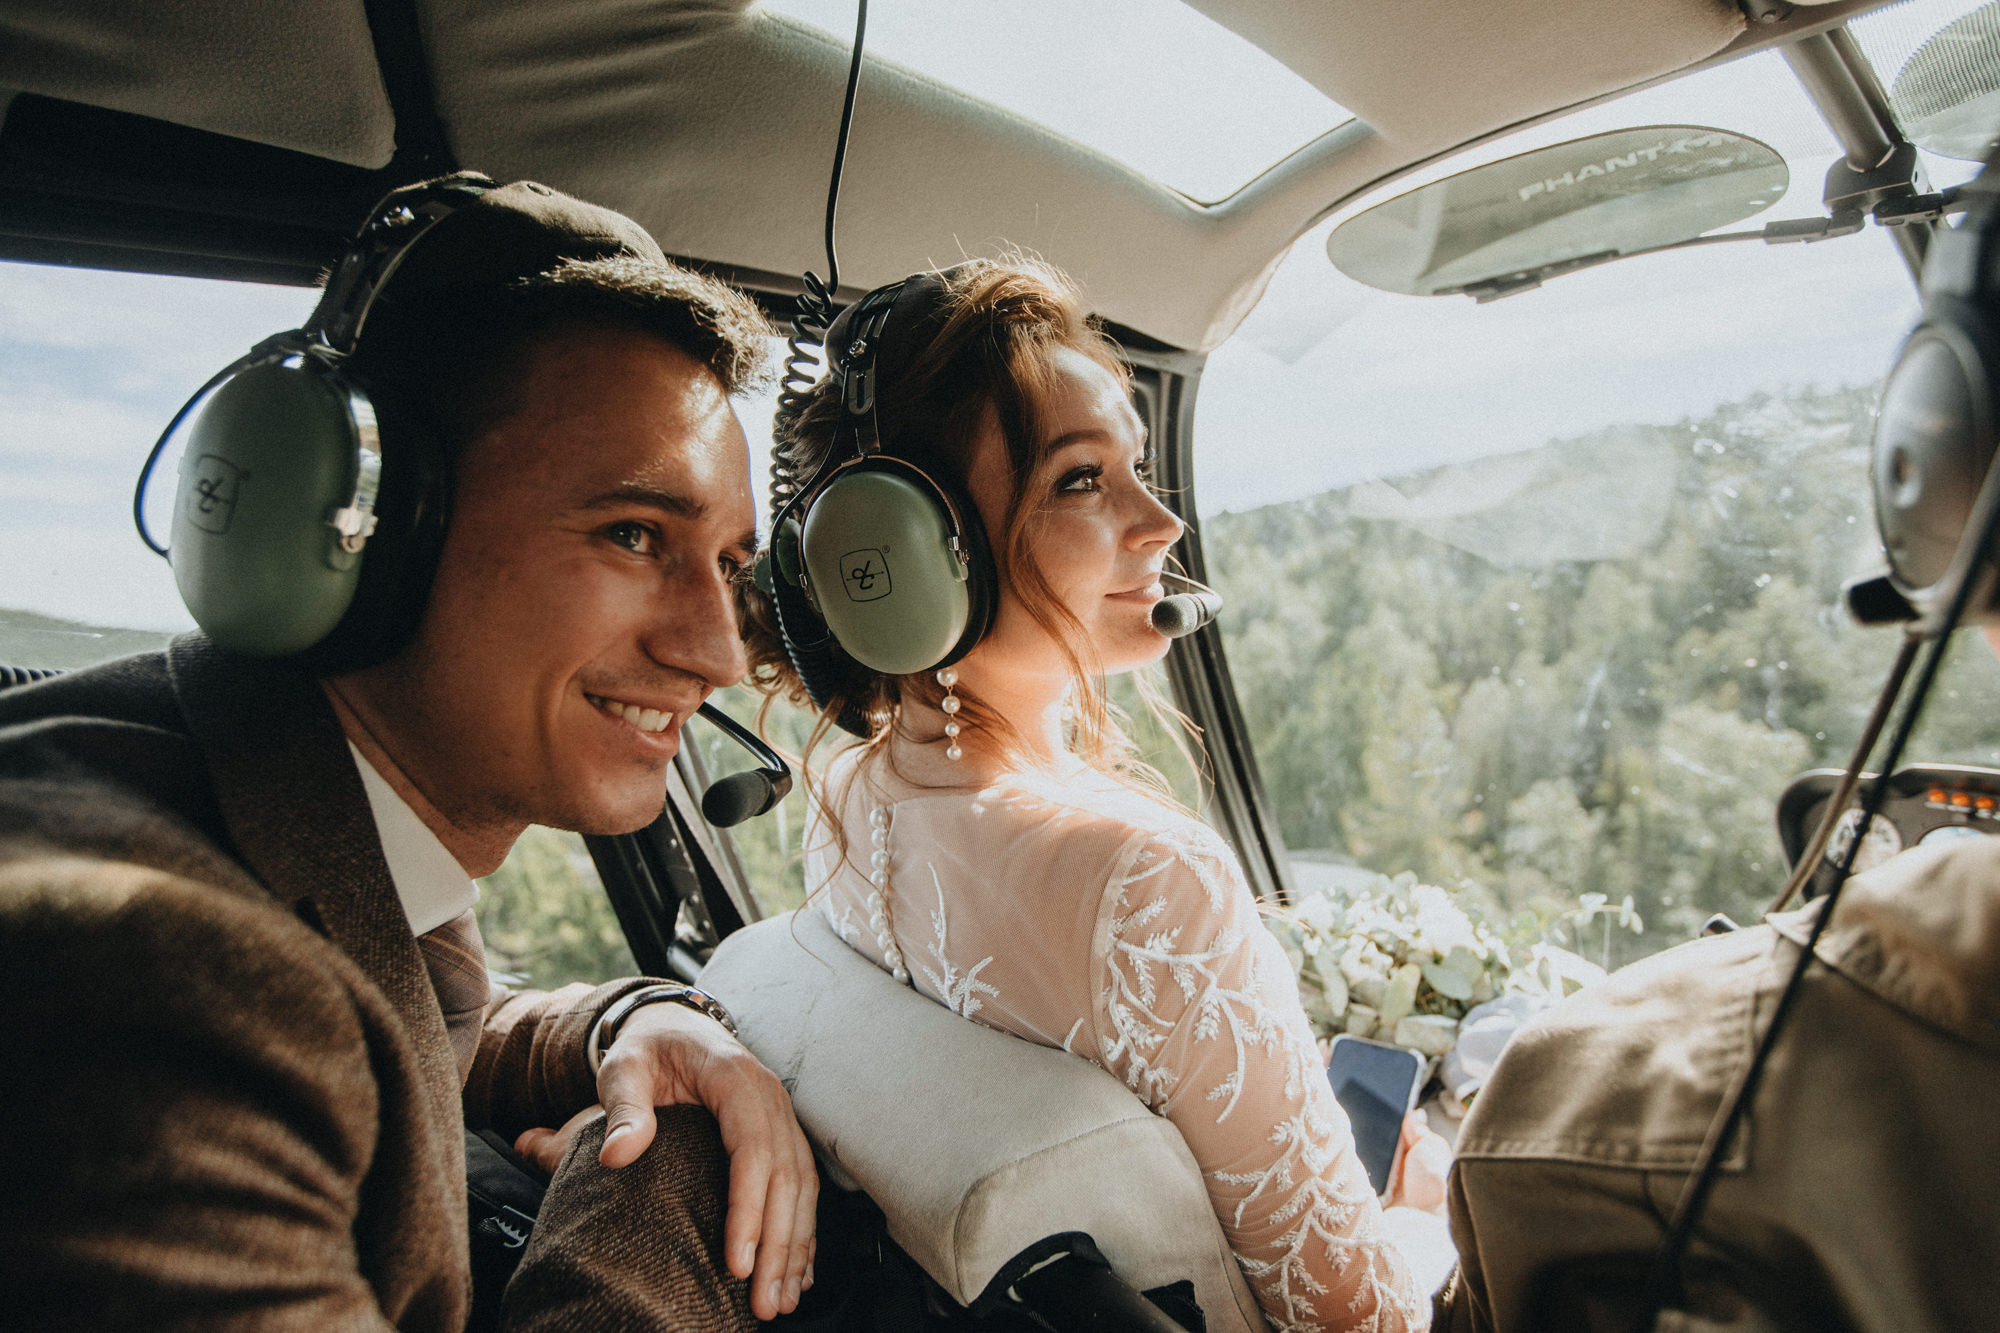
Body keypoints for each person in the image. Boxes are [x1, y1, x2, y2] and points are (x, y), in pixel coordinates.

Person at [0, 176, 815, 1328]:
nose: (716, 652)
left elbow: (405, 1008)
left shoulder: (278, 794)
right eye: (634, 534)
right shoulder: (147, 987)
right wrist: (652, 1178)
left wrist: (633, 1026)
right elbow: (283, 1016)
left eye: (729, 566)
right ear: (370, 533)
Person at [744, 258, 1440, 1332]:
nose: (1159, 523)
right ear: (916, 557)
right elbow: (1359, 1316)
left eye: (1138, 467)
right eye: (1079, 479)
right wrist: (1420, 1224)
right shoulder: (1147, 881)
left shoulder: (851, 787)